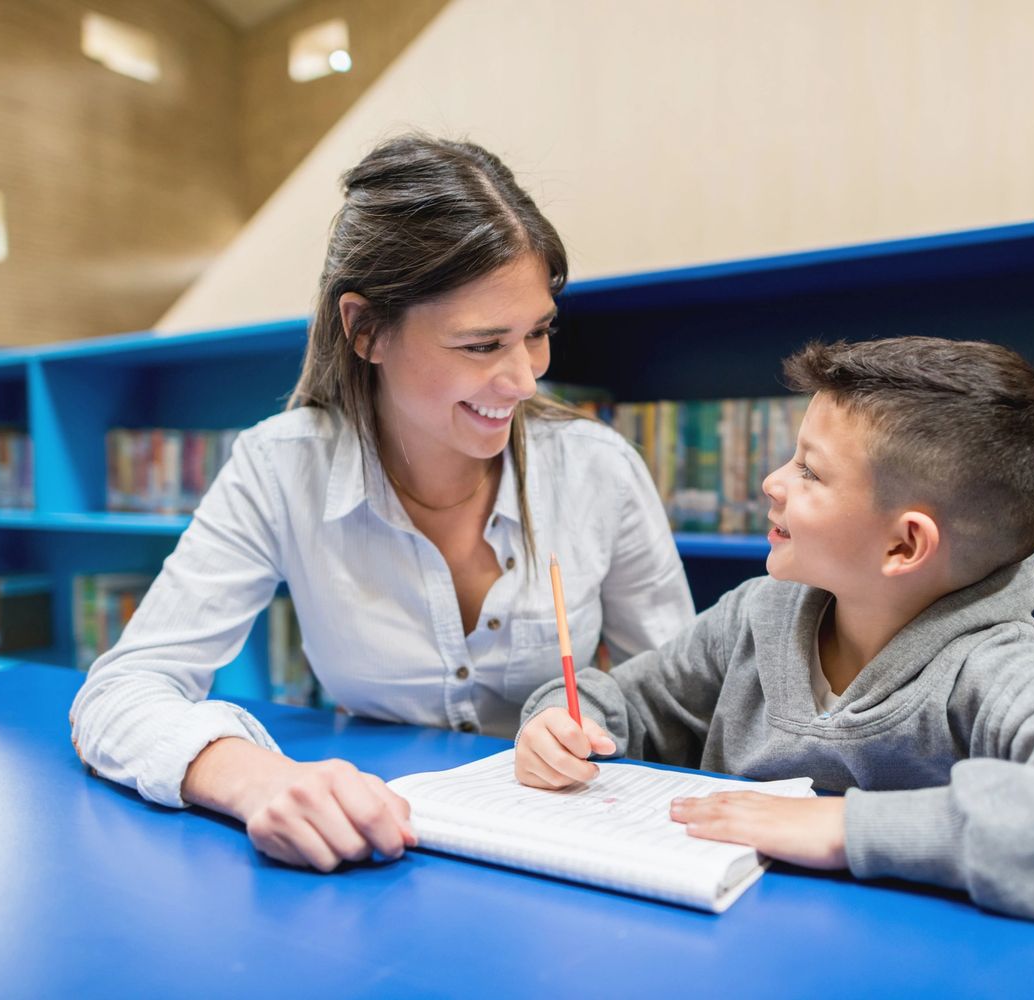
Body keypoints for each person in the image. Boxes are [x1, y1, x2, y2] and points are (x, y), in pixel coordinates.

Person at [70, 135, 695, 873]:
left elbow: (683, 694)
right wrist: (257, 780)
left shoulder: (597, 471)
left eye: (537, 333)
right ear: (365, 330)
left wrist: (594, 722)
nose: (525, 380)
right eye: (480, 344)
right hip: (376, 849)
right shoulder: (281, 465)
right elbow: (122, 690)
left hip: (570, 855)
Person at [516, 336, 1034, 928]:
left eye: (809, 471)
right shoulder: (754, 613)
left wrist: (844, 829)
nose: (772, 482)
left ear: (903, 546)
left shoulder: (1002, 674)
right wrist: (560, 715)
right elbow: (628, 706)